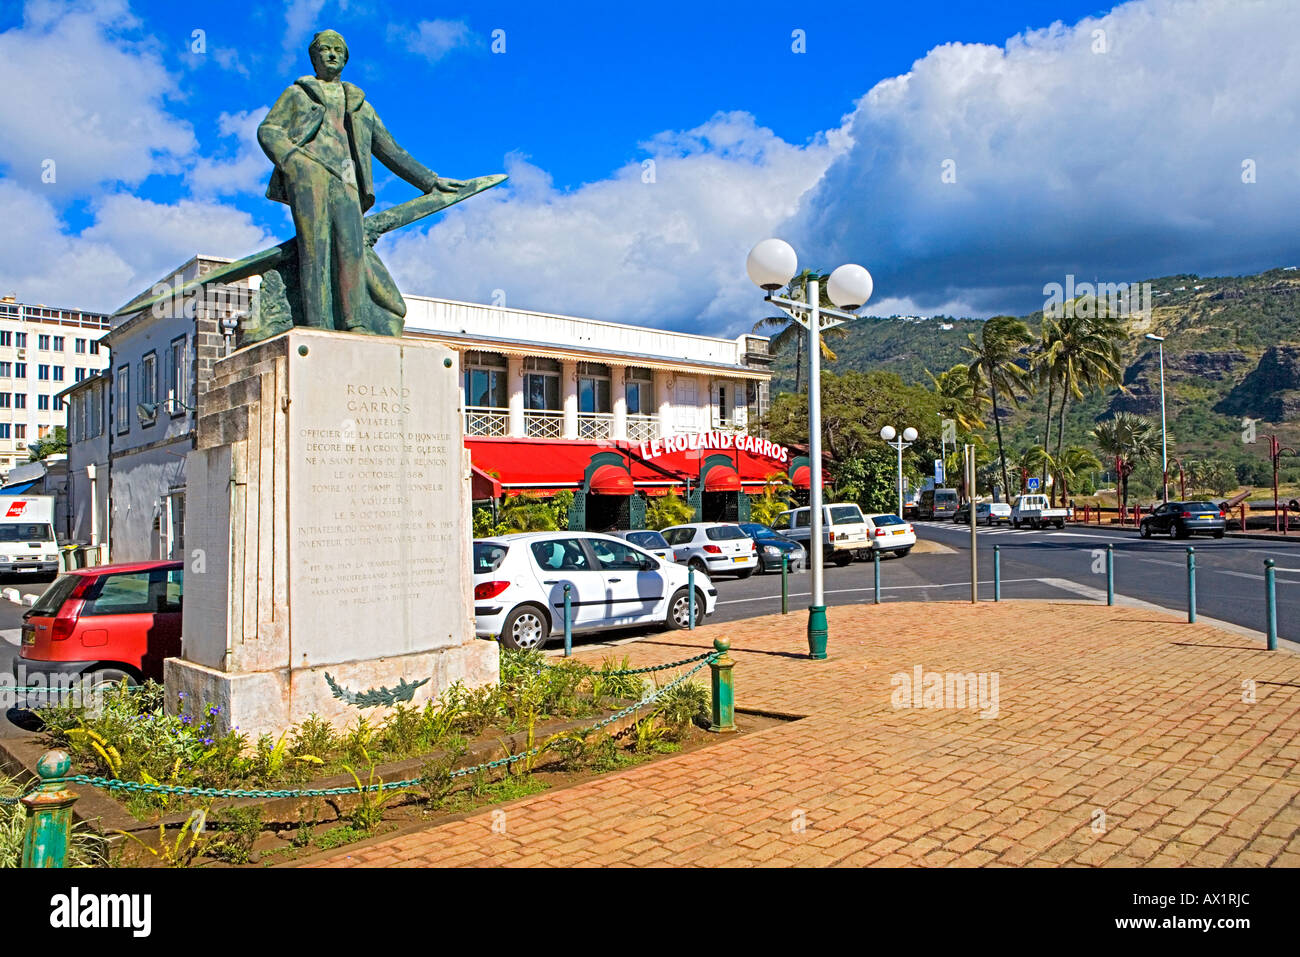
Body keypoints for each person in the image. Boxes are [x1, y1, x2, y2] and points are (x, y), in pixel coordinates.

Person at [257, 29, 463, 331]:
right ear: (314, 57)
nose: (332, 54)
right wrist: (293, 161)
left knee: (351, 250)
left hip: (346, 179)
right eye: (325, 49)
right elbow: (269, 130)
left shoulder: (359, 104)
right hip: (308, 174)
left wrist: (430, 181)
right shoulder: (297, 94)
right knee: (314, 250)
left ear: (345, 58)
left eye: (338, 50)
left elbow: (390, 150)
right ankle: (318, 326)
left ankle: (356, 324)